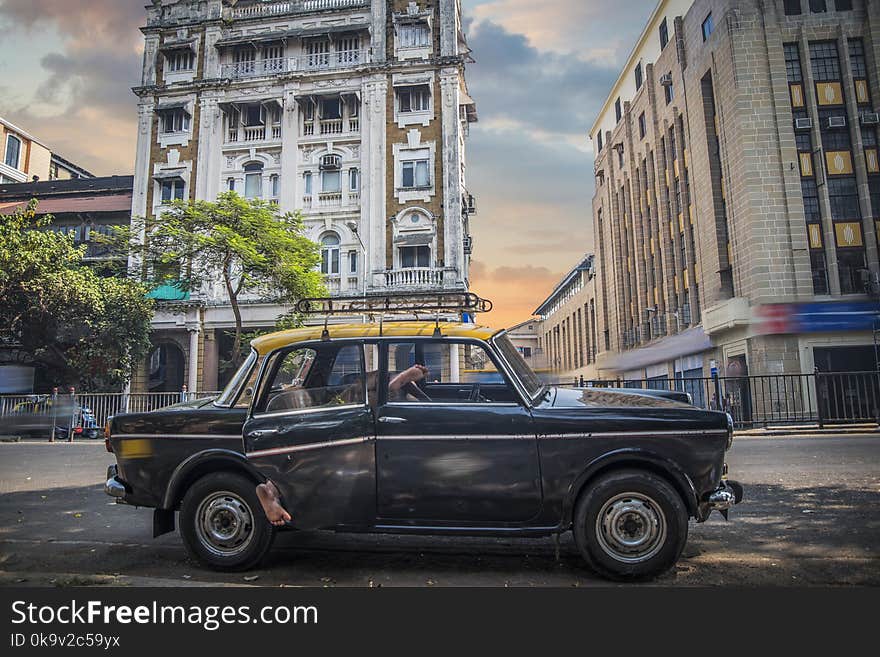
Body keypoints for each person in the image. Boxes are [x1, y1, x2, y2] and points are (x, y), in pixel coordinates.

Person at [255, 364, 431, 525]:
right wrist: (407, 377)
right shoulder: (373, 390)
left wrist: (410, 381)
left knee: (310, 459)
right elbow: (393, 386)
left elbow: (396, 387)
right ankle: (271, 490)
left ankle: (271, 489)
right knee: (321, 461)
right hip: (357, 424)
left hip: (352, 418)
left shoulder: (367, 388)